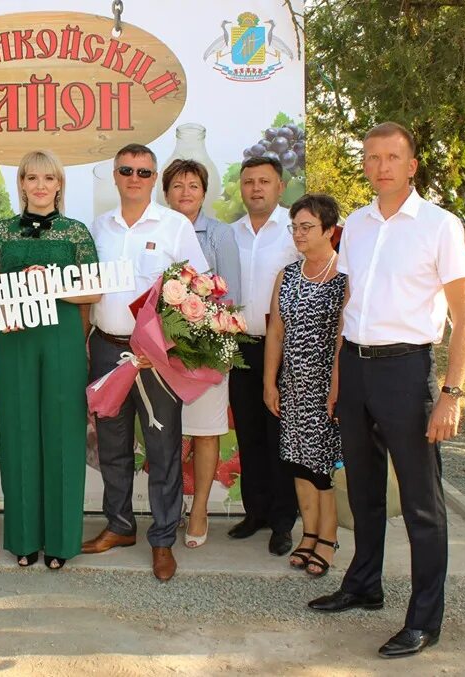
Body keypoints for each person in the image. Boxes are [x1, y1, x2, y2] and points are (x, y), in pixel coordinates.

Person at [309, 122, 465, 659]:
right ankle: (364, 584)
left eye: (392, 157)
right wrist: (338, 372)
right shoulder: (354, 225)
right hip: (356, 367)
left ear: (412, 164)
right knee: (363, 490)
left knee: (422, 501)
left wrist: (450, 393)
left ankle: (425, 619)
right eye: (372, 157)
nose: (381, 166)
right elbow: (349, 303)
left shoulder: (440, 226)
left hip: (408, 372)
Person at [83, 144, 208, 581]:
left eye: (143, 171)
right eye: (126, 170)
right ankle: (119, 526)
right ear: (115, 177)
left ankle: (162, 540)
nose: (134, 177)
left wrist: (167, 345)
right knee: (112, 444)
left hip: (157, 359)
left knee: (163, 447)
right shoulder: (97, 228)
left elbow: (200, 289)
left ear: (155, 179)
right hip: (106, 347)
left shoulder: (175, 226)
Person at [0, 150, 100, 569]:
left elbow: (94, 291)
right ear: (23, 185)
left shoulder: (76, 233)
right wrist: (6, 305)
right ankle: (25, 538)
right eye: (32, 178)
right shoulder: (2, 233)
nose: (41, 185)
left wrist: (48, 284)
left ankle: (63, 541)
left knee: (64, 436)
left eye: (49, 178)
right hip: (16, 338)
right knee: (19, 433)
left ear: (59, 184)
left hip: (63, 340)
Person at [263, 194, 346, 577]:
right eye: (294, 226)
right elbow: (276, 332)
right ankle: (308, 534)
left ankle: (327, 539)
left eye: (307, 227)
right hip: (293, 386)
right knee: (297, 462)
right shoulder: (289, 274)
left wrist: (336, 386)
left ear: (329, 230)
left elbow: (346, 338)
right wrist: (269, 381)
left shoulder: (344, 276)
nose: (298, 233)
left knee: (321, 467)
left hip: (325, 389)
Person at [162, 159, 242, 549]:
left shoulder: (220, 235)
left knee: (206, 430)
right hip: (162, 352)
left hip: (207, 349)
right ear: (166, 193)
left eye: (193, 185)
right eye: (177, 186)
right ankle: (170, 506)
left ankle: (200, 509)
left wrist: (222, 348)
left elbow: (231, 298)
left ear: (204, 192)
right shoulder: (159, 229)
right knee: (169, 434)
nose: (185, 193)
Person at [228, 156, 301, 556]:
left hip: (285, 350)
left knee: (280, 437)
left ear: (279, 186)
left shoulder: (294, 230)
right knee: (249, 434)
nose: (256, 188)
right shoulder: (230, 233)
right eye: (249, 181)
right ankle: (254, 512)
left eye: (264, 182)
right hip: (240, 349)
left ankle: (283, 520)